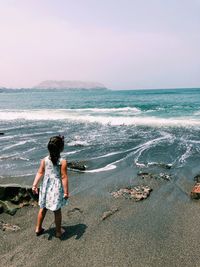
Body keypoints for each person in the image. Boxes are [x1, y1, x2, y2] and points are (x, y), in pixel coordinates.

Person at [32, 135, 69, 238]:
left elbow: (40, 172)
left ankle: (38, 228)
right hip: (56, 189)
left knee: (42, 208)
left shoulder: (44, 160)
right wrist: (66, 192)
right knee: (57, 211)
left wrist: (34, 185)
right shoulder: (62, 161)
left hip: (45, 187)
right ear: (61, 148)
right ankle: (58, 232)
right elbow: (64, 177)